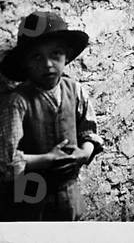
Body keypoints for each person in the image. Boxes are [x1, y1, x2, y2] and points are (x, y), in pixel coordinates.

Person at [1, 11, 103, 221]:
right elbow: (6, 161)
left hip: (69, 193)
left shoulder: (75, 90)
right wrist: (47, 159)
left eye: (55, 54)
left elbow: (89, 131)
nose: (47, 64)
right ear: (25, 63)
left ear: (66, 56)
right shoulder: (18, 102)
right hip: (30, 196)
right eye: (37, 57)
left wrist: (84, 153)